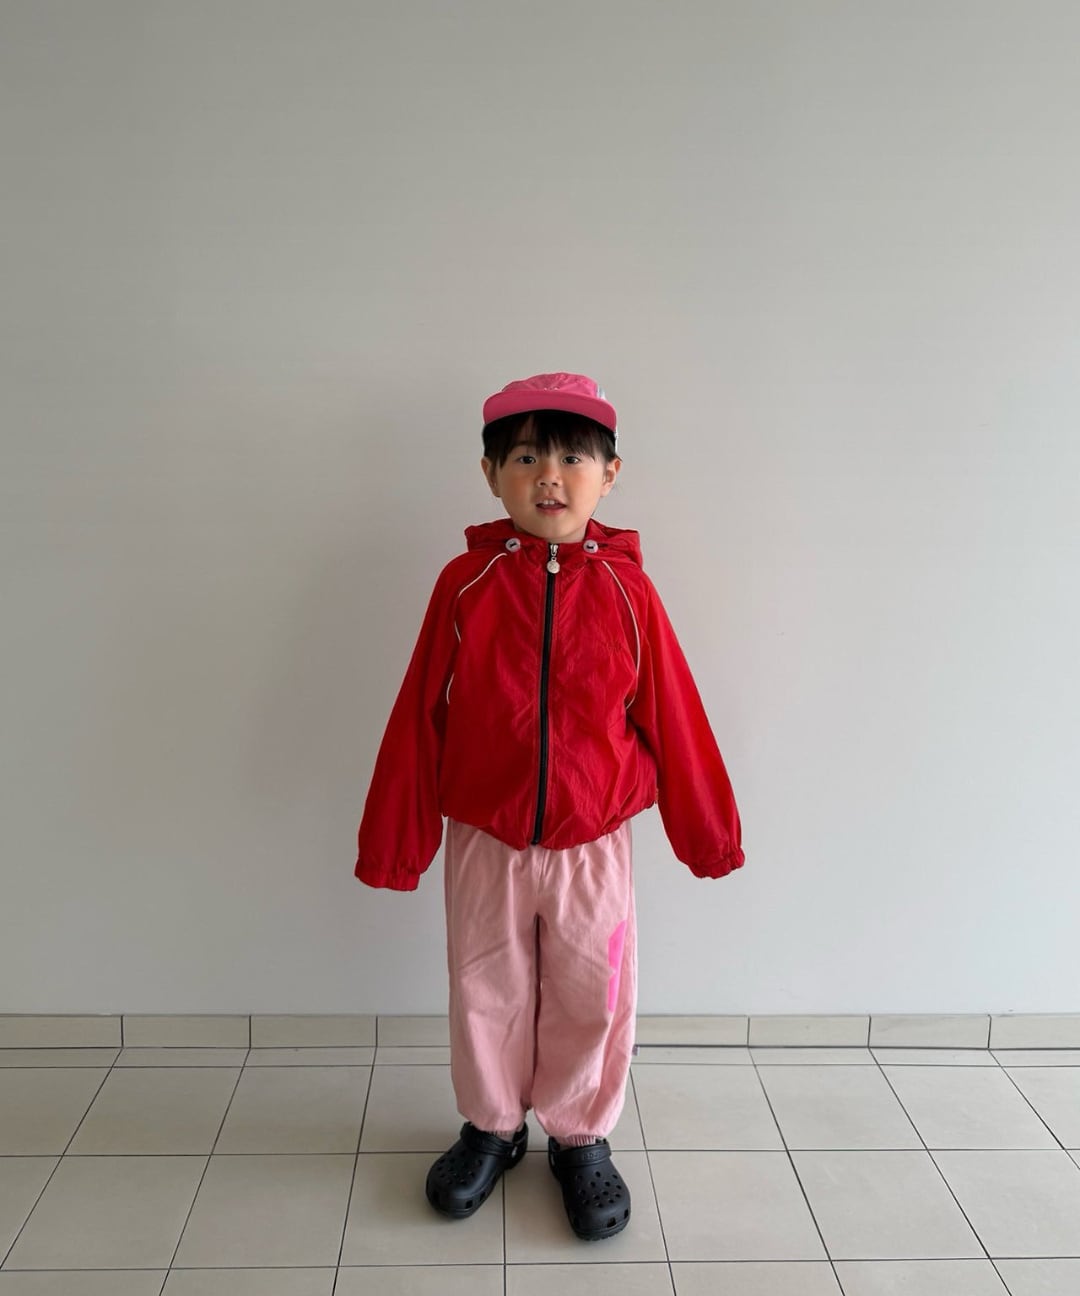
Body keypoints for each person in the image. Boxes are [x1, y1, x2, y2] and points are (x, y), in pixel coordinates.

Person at [355, 372, 744, 1241]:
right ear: (491, 474)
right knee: (483, 984)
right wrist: (394, 842)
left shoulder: (630, 593)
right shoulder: (464, 585)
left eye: (572, 458)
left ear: (611, 473)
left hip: (593, 843)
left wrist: (708, 833)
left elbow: (673, 714)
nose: (550, 477)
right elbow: (419, 713)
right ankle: (492, 1126)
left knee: (591, 990)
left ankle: (580, 1135)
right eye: (526, 458)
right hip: (485, 836)